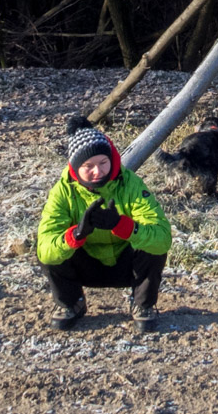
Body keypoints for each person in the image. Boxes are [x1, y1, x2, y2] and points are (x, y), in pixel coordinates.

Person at [36, 116, 172, 332]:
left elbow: (163, 239)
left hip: (127, 265)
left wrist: (123, 226)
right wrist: (76, 235)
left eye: (103, 163)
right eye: (88, 166)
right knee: (51, 249)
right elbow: (45, 249)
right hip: (84, 264)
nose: (98, 172)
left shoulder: (130, 184)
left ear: (112, 159)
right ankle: (71, 302)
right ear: (75, 167)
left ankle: (142, 304)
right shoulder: (63, 191)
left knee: (152, 244)